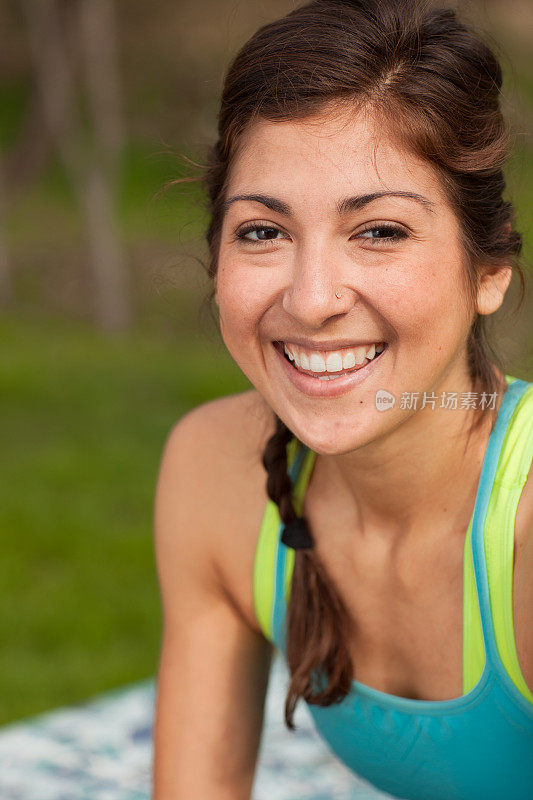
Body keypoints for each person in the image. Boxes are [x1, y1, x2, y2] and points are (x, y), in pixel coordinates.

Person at [151, 1, 533, 798]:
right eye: (263, 231)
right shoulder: (213, 472)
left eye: (380, 231)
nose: (313, 297)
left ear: (487, 269)